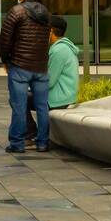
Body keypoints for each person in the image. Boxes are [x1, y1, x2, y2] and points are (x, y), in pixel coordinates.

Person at [0, 0, 51, 153]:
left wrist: (5, 61)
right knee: (43, 106)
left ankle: (17, 143)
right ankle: (43, 142)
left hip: (20, 65)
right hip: (41, 67)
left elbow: (5, 40)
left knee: (19, 105)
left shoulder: (16, 11)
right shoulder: (45, 13)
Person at [25, 15, 80, 143]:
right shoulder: (61, 47)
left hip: (59, 98)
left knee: (19, 98)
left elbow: (48, 82)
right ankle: (33, 134)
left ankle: (34, 134)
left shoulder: (59, 50)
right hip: (62, 94)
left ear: (50, 31)